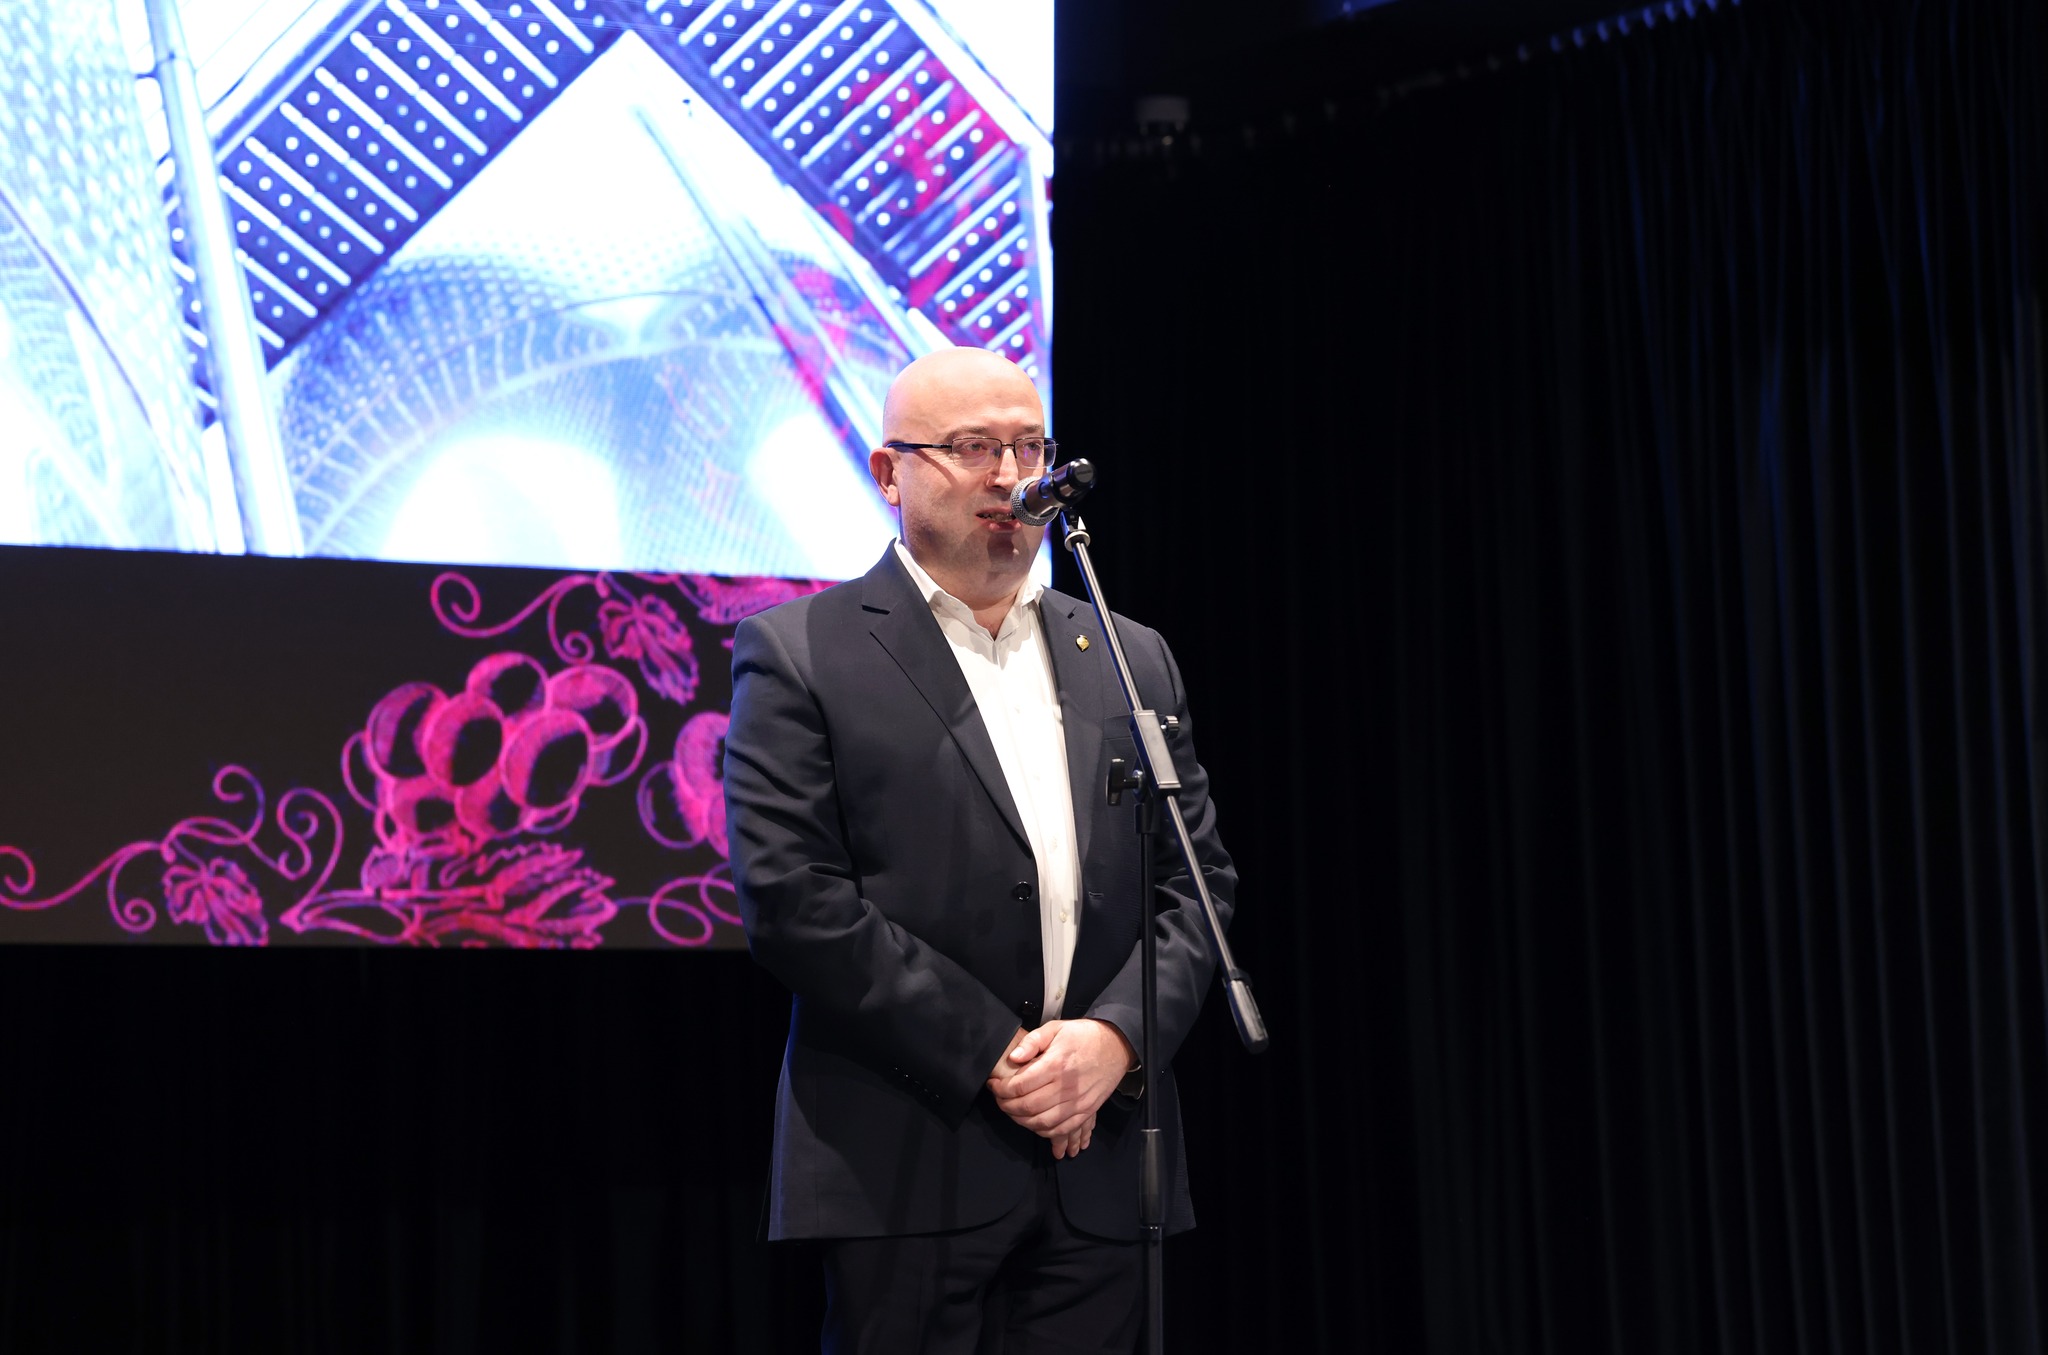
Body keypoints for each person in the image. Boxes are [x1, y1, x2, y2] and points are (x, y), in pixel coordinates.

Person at [724, 346, 1237, 1353]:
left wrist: (1115, 1040)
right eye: (971, 447)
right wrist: (998, 1055)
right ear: (889, 472)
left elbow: (1196, 883)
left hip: (1102, 1159)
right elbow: (793, 899)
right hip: (907, 1154)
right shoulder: (801, 651)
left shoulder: (1129, 654)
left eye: (1028, 446)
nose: (1010, 475)